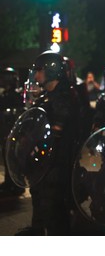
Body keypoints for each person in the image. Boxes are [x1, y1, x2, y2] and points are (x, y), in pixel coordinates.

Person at [14, 50, 82, 235]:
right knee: (40, 207)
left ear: (51, 71)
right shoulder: (47, 97)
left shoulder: (65, 97)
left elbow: (54, 135)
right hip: (44, 167)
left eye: (39, 70)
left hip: (58, 167)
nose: (36, 75)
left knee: (55, 215)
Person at [0, 66, 25, 196]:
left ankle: (15, 184)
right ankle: (9, 181)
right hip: (5, 128)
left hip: (12, 129)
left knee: (13, 156)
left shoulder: (16, 95)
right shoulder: (5, 93)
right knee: (6, 155)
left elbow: (18, 112)